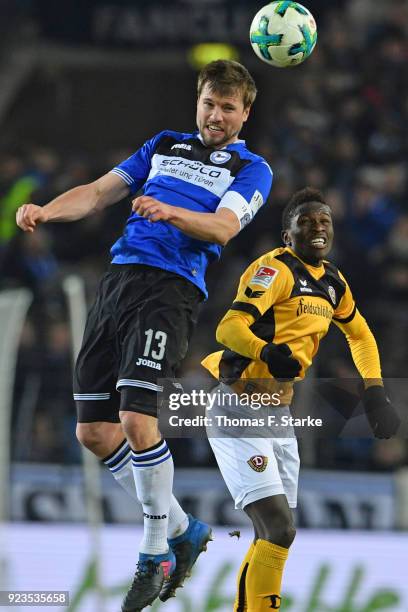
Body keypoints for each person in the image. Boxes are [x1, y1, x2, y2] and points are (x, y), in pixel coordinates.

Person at [16, 60, 273, 611]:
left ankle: (155, 550)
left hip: (171, 290)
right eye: (210, 103)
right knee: (94, 433)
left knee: (136, 420)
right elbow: (97, 191)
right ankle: (184, 529)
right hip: (118, 283)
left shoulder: (252, 169)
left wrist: (171, 212)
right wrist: (47, 210)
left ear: (244, 114)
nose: (216, 115)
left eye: (229, 107)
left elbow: (223, 228)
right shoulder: (163, 145)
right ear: (198, 102)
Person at [201, 187, 400, 611]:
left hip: (279, 414)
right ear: (287, 233)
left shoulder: (333, 282)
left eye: (325, 221)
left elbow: (360, 335)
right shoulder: (274, 270)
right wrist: (266, 351)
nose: (318, 228)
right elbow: (229, 327)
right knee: (279, 527)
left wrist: (376, 391)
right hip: (239, 408)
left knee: (273, 534)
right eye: (306, 221)